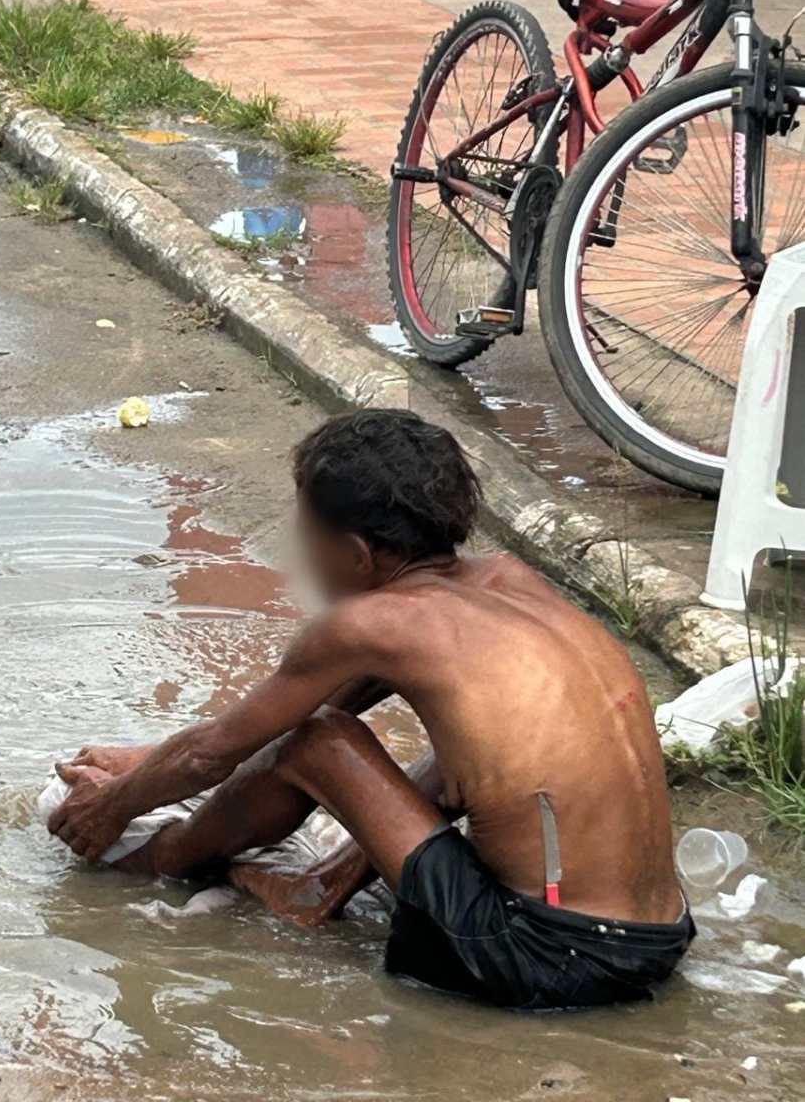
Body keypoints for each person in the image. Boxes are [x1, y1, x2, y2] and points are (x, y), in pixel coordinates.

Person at [48, 409, 694, 1009]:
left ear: (357, 556)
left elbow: (229, 749)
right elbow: (264, 725)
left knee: (322, 744)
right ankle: (321, 883)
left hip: (547, 957)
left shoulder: (373, 625)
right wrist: (144, 763)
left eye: (305, 537)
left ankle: (162, 858)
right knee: (440, 753)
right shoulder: (505, 579)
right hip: (656, 939)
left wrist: (114, 808)